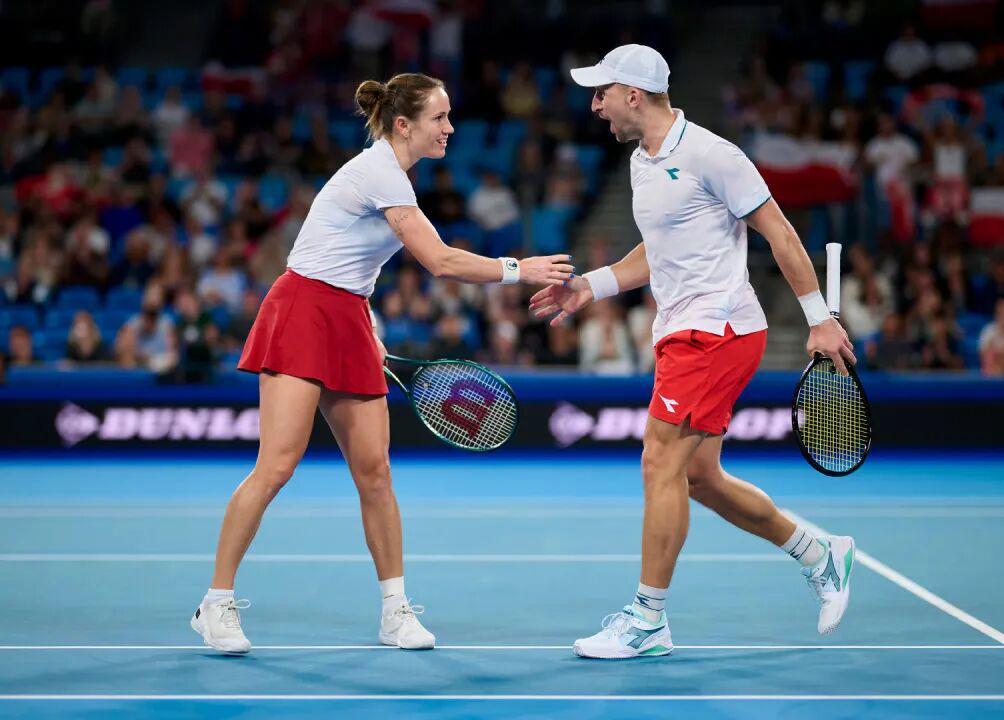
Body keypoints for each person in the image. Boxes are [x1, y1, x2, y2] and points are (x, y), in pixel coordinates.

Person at [191, 72, 572, 654]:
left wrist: (364, 330)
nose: (449, 128)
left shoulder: (397, 177)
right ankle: (214, 604)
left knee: (375, 473)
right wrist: (521, 269)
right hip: (301, 310)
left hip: (349, 314)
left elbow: (356, 273)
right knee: (277, 465)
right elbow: (440, 262)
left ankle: (396, 612)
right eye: (439, 117)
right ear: (403, 125)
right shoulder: (379, 172)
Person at [530, 45, 857, 659]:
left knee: (659, 463)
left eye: (602, 93)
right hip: (682, 330)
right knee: (700, 478)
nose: (595, 106)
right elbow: (655, 251)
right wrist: (588, 287)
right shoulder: (641, 163)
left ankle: (647, 620)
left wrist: (819, 319)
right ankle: (820, 553)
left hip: (717, 331)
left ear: (633, 95)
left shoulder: (713, 155)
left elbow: (781, 233)